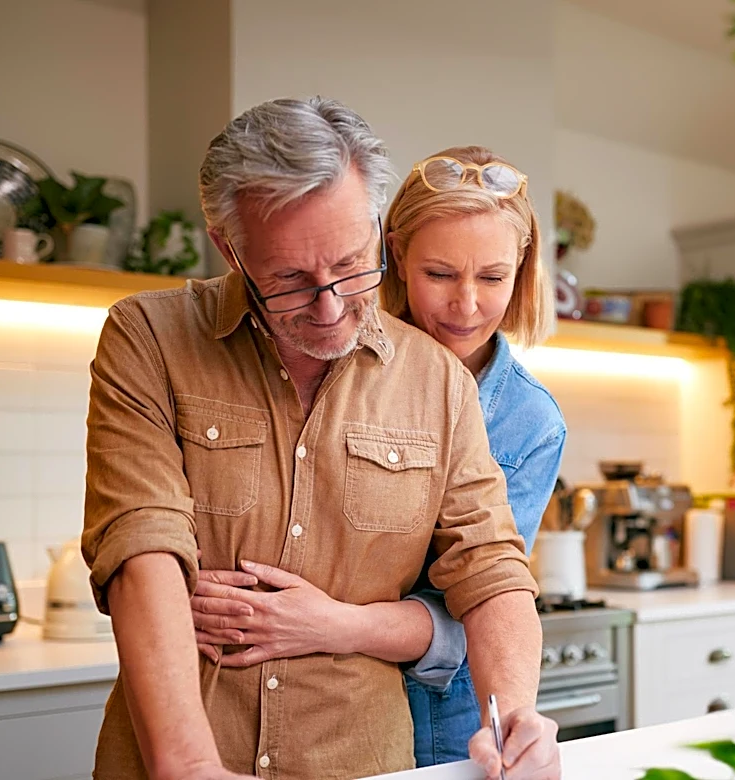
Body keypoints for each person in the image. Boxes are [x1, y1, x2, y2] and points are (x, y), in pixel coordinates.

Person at [82, 97, 557, 780]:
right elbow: (141, 540)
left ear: (375, 229)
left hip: (360, 762)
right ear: (228, 244)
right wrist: (187, 766)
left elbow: (490, 570)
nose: (331, 307)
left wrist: (515, 718)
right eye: (290, 280)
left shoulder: (437, 380)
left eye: (350, 264)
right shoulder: (148, 339)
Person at [193, 145, 566, 772]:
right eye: (440, 274)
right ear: (390, 253)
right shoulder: (325, 342)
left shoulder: (531, 421)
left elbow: (473, 600)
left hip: (447, 715)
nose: (466, 304)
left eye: (493, 277)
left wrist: (332, 622)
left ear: (523, 270)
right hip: (296, 705)